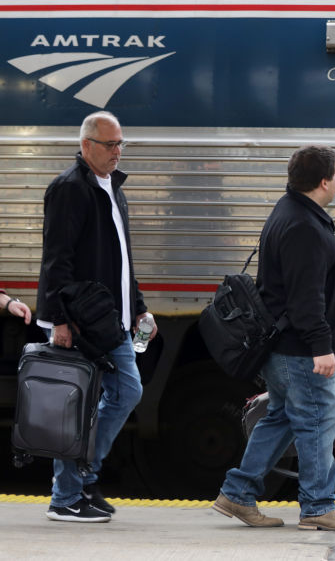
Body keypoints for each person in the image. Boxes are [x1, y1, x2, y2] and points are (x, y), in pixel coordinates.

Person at [214, 145, 335, 532]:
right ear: (323, 182)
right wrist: (322, 347)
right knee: (319, 422)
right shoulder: (304, 225)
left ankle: (237, 494)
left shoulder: (289, 212)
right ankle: (319, 506)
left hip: (284, 347)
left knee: (280, 419)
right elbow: (306, 298)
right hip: (301, 350)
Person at [35, 111, 156, 523]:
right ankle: (66, 497)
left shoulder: (112, 189)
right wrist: (58, 321)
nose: (117, 152)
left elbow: (123, 260)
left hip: (114, 320)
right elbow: (56, 261)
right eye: (110, 144)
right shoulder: (70, 189)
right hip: (82, 321)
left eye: (121, 144)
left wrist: (139, 306)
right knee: (78, 409)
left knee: (127, 392)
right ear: (86, 145)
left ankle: (84, 476)